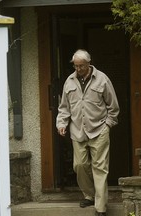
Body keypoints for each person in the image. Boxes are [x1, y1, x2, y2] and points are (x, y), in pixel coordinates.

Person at [56, 49, 119, 216]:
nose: (78, 69)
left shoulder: (102, 79)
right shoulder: (69, 82)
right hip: (77, 131)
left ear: (88, 64)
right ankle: (89, 195)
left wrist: (108, 125)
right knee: (80, 166)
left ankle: (101, 207)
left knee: (100, 167)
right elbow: (63, 108)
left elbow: (113, 107)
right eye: (76, 66)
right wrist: (61, 123)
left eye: (81, 66)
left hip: (99, 129)